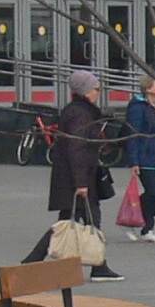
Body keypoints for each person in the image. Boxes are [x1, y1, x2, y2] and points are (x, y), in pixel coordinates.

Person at [44, 68, 118, 278]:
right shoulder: (81, 114)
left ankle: (98, 265)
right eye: (96, 89)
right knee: (87, 220)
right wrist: (81, 183)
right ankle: (99, 266)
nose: (98, 93)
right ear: (85, 91)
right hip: (77, 178)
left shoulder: (78, 111)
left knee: (69, 221)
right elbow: (77, 148)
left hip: (74, 176)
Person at [121, 76, 155, 243]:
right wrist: (134, 161)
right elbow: (133, 134)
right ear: (148, 89)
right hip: (144, 156)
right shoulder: (138, 108)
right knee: (152, 191)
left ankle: (137, 222)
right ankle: (144, 227)